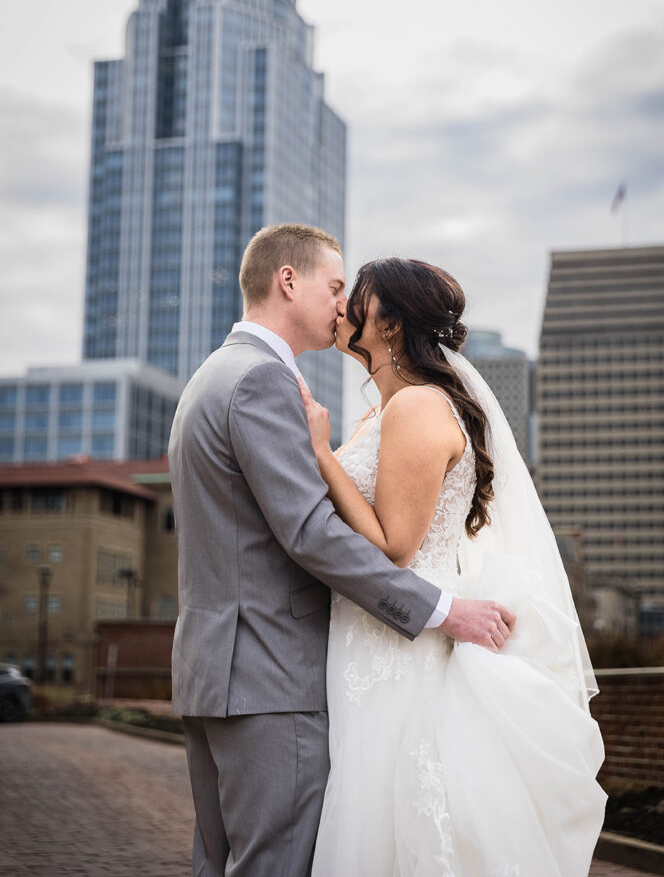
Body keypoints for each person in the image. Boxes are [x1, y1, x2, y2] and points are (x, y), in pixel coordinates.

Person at [168, 224, 515, 877]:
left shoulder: (212, 377)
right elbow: (309, 533)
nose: (342, 305)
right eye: (334, 287)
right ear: (287, 281)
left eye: (352, 295)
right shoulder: (261, 381)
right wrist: (442, 610)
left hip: (216, 671)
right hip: (269, 675)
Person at [300, 257, 607, 877]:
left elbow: (395, 546)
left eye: (356, 297)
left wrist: (318, 455)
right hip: (372, 634)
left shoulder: (416, 407)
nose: (341, 307)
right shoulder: (382, 410)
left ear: (388, 324)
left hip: (397, 647)